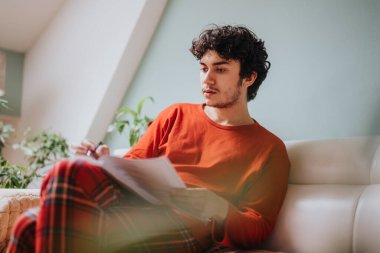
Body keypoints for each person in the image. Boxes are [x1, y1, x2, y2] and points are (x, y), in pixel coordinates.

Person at [7, 25, 290, 253]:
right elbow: (133, 166)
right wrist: (104, 161)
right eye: (204, 68)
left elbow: (260, 227)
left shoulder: (269, 148)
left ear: (249, 78)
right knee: (52, 193)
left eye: (221, 69)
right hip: (135, 206)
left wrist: (220, 208)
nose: (207, 79)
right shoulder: (175, 114)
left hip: (183, 229)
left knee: (39, 213)